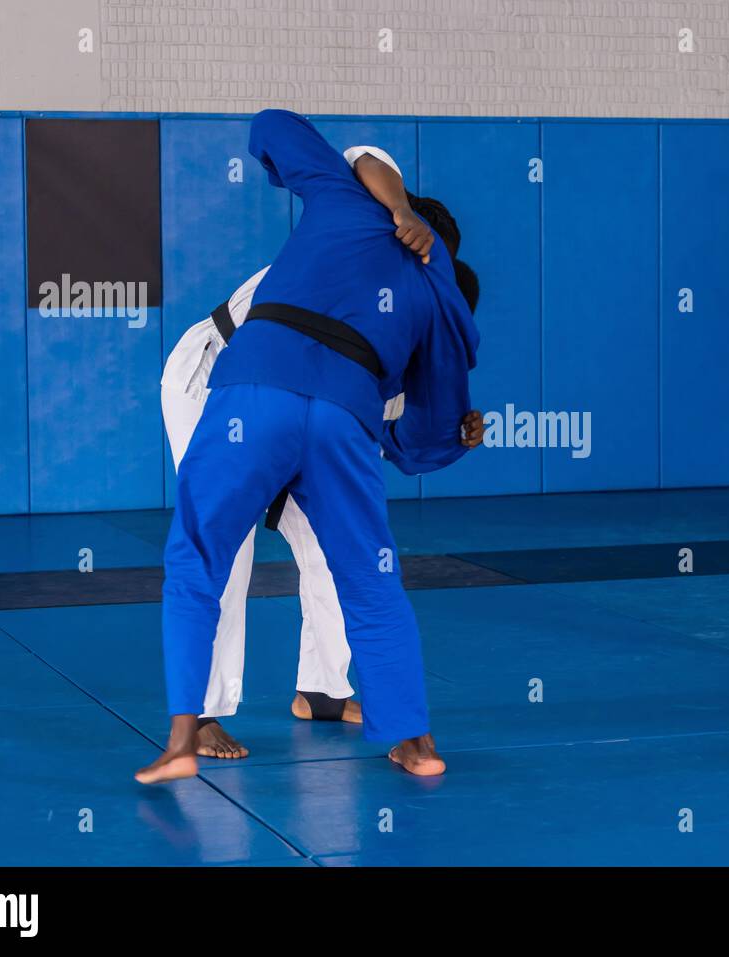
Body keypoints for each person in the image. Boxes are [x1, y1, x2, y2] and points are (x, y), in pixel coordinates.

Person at [136, 109, 481, 784]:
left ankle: (308, 692)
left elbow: (273, 125)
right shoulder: (417, 273)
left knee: (260, 549)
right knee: (320, 562)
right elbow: (417, 438)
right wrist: (454, 432)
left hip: (270, 393)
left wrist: (444, 429)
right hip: (219, 374)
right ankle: (216, 713)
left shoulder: (352, 210)